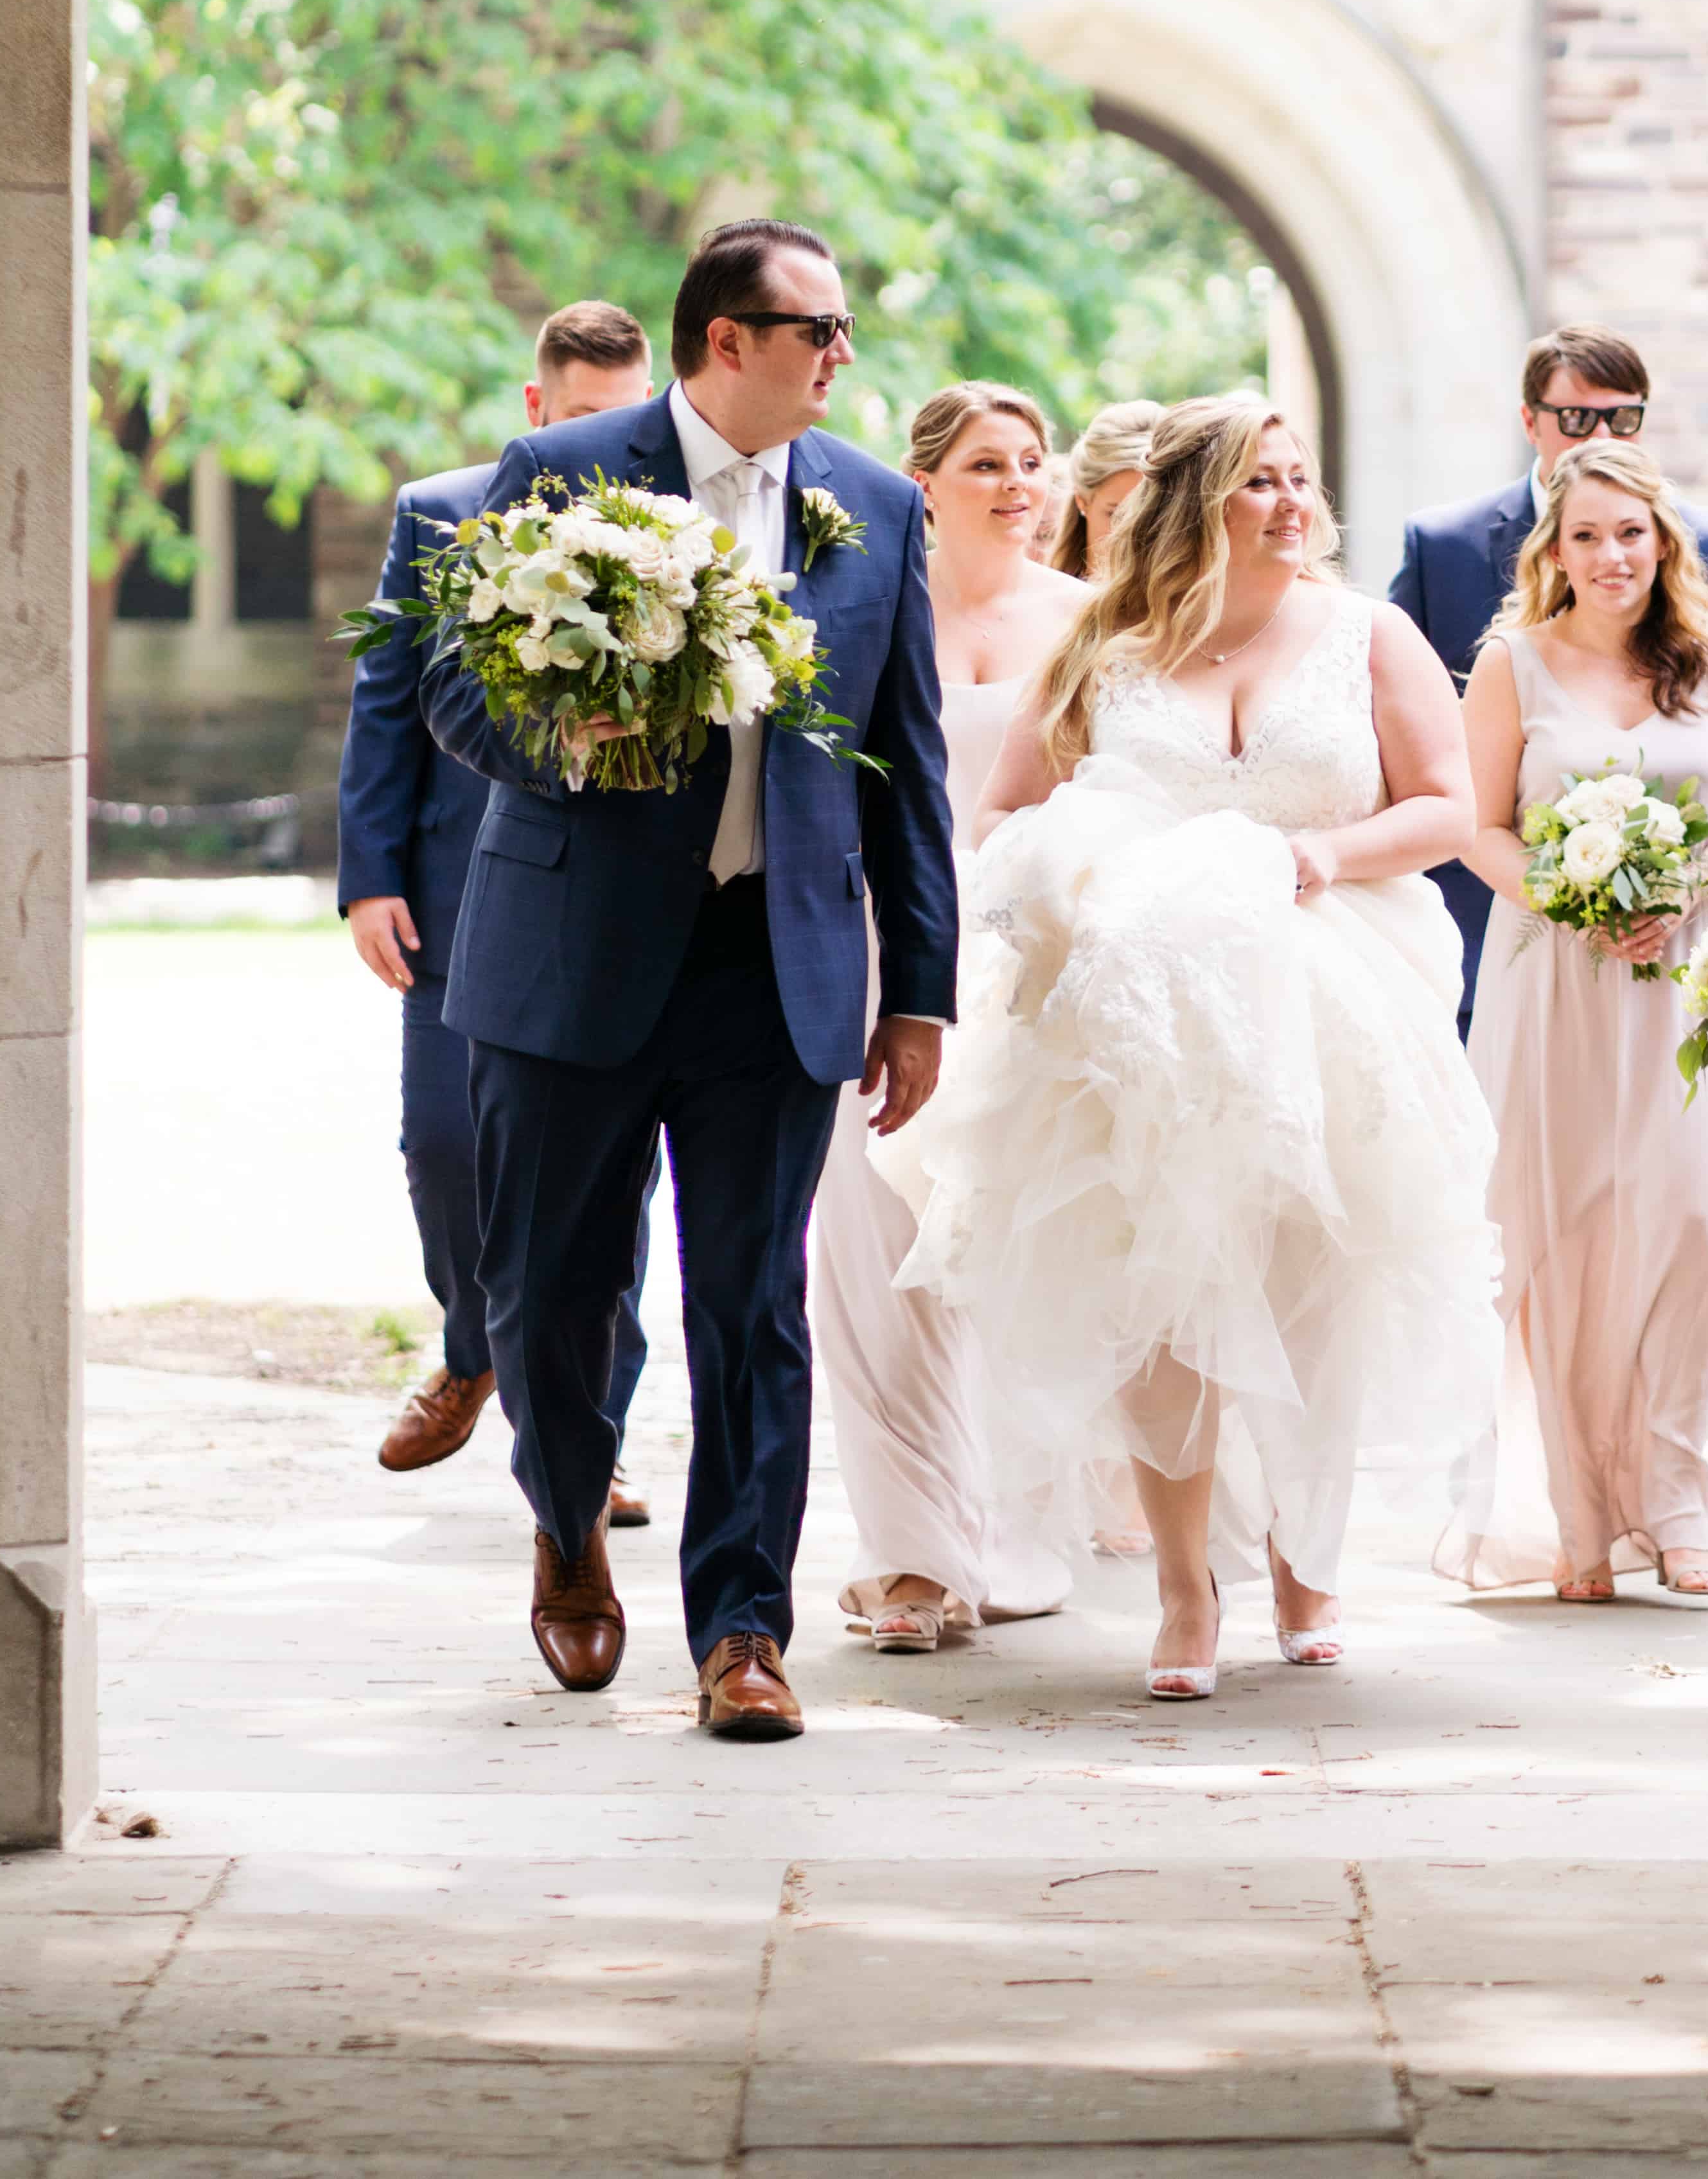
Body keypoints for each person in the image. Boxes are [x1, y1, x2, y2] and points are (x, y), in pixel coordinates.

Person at [416, 221, 958, 1741]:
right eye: (822, 329)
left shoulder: (872, 504)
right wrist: (568, 735)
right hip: (568, 952)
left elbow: (904, 763)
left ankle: (741, 1631)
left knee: (750, 1304)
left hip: (772, 967)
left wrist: (916, 988)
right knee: (551, 1300)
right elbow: (456, 686)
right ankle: (569, 1517)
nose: (843, 355)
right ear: (731, 337)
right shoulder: (556, 473)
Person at [886, 394, 1500, 1700]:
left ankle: (1305, 1554)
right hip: (1138, 1014)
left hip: (1332, 983)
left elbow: (1449, 804)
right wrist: (1087, 873)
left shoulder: (1366, 634)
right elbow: (1003, 810)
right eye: (1256, 483)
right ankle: (1182, 1583)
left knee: (1313, 1280)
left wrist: (1322, 852)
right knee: (1159, 1282)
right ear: (1192, 503)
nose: (1290, 503)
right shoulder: (1106, 643)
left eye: (1297, 479)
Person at [335, 299, 660, 1524]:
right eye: (583, 418)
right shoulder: (438, 510)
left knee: (603, 1184)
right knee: (444, 1145)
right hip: (454, 888)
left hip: (615, 901)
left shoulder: (676, 528)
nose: (604, 442)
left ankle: (594, 1436)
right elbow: (384, 702)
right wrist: (370, 874)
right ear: (538, 408)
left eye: (625, 417)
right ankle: (474, 1345)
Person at [1439, 442, 1708, 1605]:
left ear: (1664, 539)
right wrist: (1572, 897)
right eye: (1587, 534)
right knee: (1558, 1231)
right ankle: (1580, 1513)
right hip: (1552, 983)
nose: (1612, 554)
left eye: (1630, 531)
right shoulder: (1511, 665)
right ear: (1555, 549)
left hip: (1683, 983)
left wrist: (1686, 889)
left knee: (1693, 1231)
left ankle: (1677, 1497)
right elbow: (1478, 826)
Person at [810, 384, 1091, 1653]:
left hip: (1035, 964)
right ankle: (910, 1552)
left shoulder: (1091, 622)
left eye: (1033, 462)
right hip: (877, 954)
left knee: (1018, 1243)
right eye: (988, 463)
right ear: (923, 482)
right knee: (873, 1248)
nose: (1020, 483)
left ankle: (1015, 1522)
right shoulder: (866, 609)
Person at [1388, 326, 1708, 1026]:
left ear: (1662, 540)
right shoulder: (1445, 551)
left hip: (1689, 947)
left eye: (1623, 418)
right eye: (1577, 418)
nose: (1601, 435)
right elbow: (1408, 740)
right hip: (1503, 924)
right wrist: (1562, 896)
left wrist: (1706, 887)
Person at [1052, 398, 1166, 578]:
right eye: (1117, 516)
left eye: (1153, 517)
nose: (1132, 537)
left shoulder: (1193, 601)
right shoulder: (1041, 597)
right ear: (1082, 501)